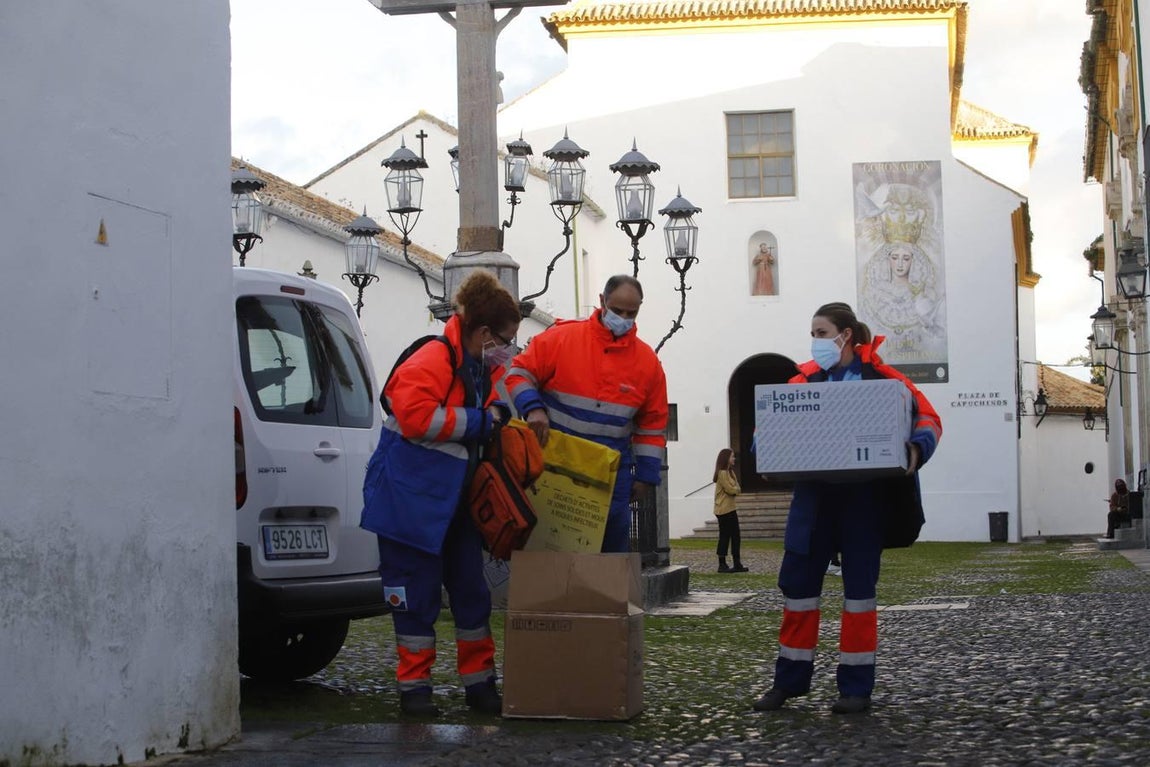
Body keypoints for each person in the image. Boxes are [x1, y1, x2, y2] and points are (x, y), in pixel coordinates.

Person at [754, 302, 941, 715]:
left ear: (845, 337)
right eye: (813, 333)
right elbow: (766, 428)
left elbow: (928, 419)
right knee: (798, 593)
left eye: (821, 333)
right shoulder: (801, 380)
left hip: (863, 503)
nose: (815, 341)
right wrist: (764, 452)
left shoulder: (885, 379)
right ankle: (787, 683)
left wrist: (916, 448)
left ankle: (855, 689)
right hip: (813, 502)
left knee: (859, 598)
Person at [360, 270, 521, 718]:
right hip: (409, 504)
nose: (508, 349)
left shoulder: (476, 365)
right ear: (484, 333)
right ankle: (415, 690)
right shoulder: (434, 358)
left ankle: (480, 685)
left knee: (472, 594)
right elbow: (415, 418)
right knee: (415, 600)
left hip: (450, 502)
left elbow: (492, 405)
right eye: (506, 340)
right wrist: (480, 422)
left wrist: (496, 414)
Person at [507, 274, 669, 553]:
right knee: (548, 549)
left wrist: (645, 476)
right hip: (553, 467)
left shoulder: (647, 364)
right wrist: (533, 409)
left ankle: (601, 598)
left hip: (608, 475)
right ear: (602, 302)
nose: (624, 318)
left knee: (608, 554)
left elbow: (652, 427)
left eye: (632, 313)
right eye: (617, 310)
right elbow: (519, 375)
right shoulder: (560, 339)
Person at [713, 448, 749, 573]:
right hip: (723, 510)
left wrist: (735, 489)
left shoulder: (731, 472)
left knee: (736, 536)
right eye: (732, 456)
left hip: (731, 508)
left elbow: (737, 487)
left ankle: (737, 562)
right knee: (725, 536)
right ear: (726, 458)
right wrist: (735, 489)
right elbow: (731, 490)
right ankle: (721, 564)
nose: (734, 459)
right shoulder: (722, 473)